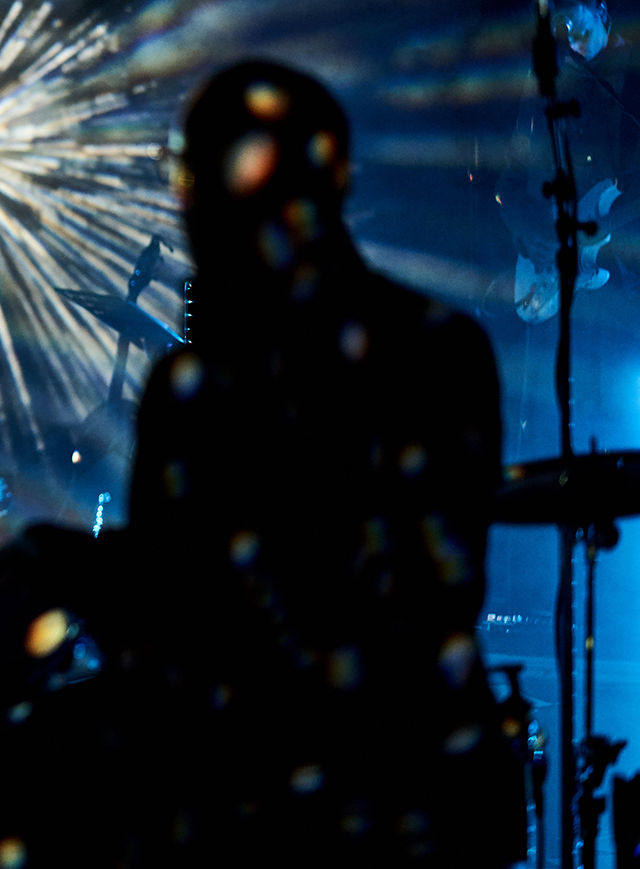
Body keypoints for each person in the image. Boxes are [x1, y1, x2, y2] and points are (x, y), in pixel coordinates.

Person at [118, 61, 524, 864]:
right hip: (423, 796)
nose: (184, 208)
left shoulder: (200, 388)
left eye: (192, 183)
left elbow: (182, 616)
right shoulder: (445, 347)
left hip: (286, 804)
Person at [499, 0, 640, 323]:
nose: (569, 43)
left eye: (578, 29)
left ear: (603, 16)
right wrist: (528, 233)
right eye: (559, 32)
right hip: (554, 282)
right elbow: (510, 183)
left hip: (633, 285)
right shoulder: (543, 85)